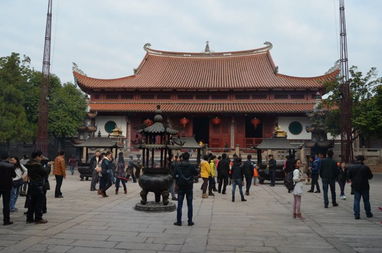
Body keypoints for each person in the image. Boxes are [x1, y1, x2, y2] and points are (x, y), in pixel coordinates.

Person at [173, 152, 198, 226]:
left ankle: (179, 221)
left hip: (180, 186)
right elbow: (196, 173)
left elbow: (174, 175)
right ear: (188, 158)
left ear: (182, 157)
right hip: (189, 186)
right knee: (190, 204)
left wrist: (177, 181)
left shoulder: (178, 165)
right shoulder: (191, 166)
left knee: (180, 204)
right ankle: (190, 221)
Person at [25, 151, 49, 224]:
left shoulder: (28, 163)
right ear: (37, 157)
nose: (41, 158)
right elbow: (45, 172)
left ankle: (29, 218)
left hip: (31, 184)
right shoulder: (37, 165)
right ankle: (38, 218)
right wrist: (48, 166)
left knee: (31, 202)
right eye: (40, 156)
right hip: (38, 185)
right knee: (39, 202)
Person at [348, 155, 373, 220]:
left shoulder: (351, 167)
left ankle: (357, 214)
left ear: (357, 160)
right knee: (366, 201)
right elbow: (370, 177)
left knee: (356, 200)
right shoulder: (366, 167)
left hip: (356, 186)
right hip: (365, 186)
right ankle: (368, 213)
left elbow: (349, 177)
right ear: (362, 160)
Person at [0, 152, 16, 225]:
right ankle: (6, 220)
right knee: (6, 203)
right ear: (7, 158)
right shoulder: (10, 166)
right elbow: (14, 175)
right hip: (7, 186)